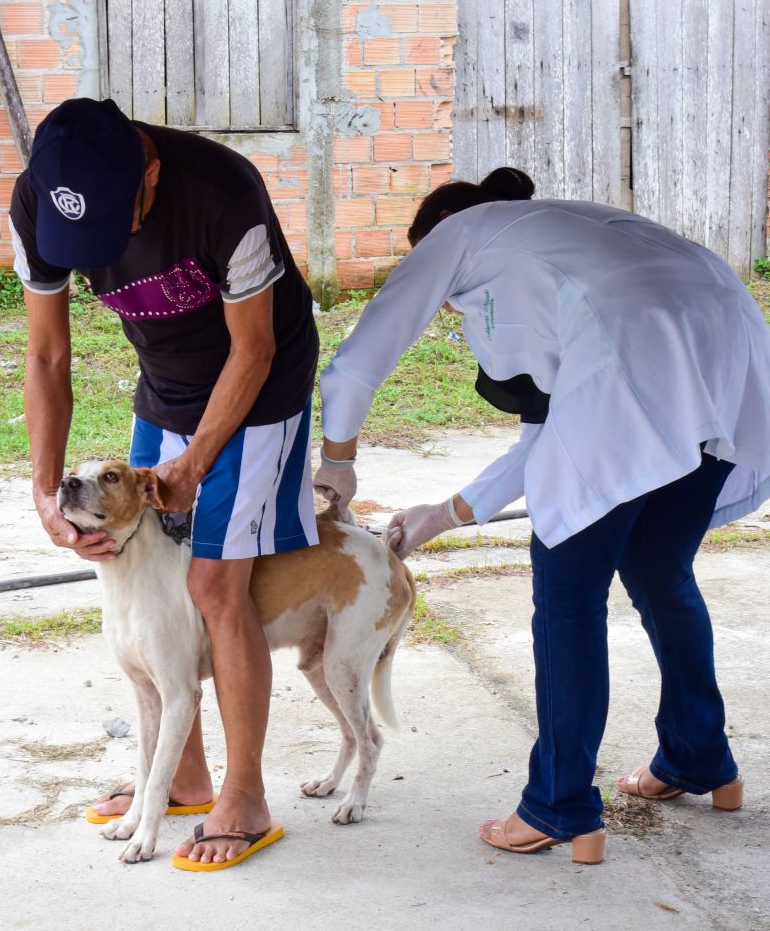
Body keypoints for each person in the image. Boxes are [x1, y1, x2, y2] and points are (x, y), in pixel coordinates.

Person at [314, 167, 770, 863]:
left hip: (639, 350)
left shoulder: (460, 233)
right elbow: (547, 436)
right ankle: (701, 758)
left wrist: (337, 462)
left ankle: (559, 806)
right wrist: (441, 514)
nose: (450, 311)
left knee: (567, 597)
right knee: (658, 568)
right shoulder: (560, 233)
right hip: (728, 350)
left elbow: (356, 363)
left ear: (434, 236)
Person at [10, 97, 319, 868]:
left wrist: (195, 460)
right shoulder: (36, 200)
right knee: (143, 569)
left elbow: (251, 352)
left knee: (216, 585)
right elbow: (47, 356)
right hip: (165, 382)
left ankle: (243, 793)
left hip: (261, 386)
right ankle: (180, 778)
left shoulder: (225, 194)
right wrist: (46, 489)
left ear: (149, 171)